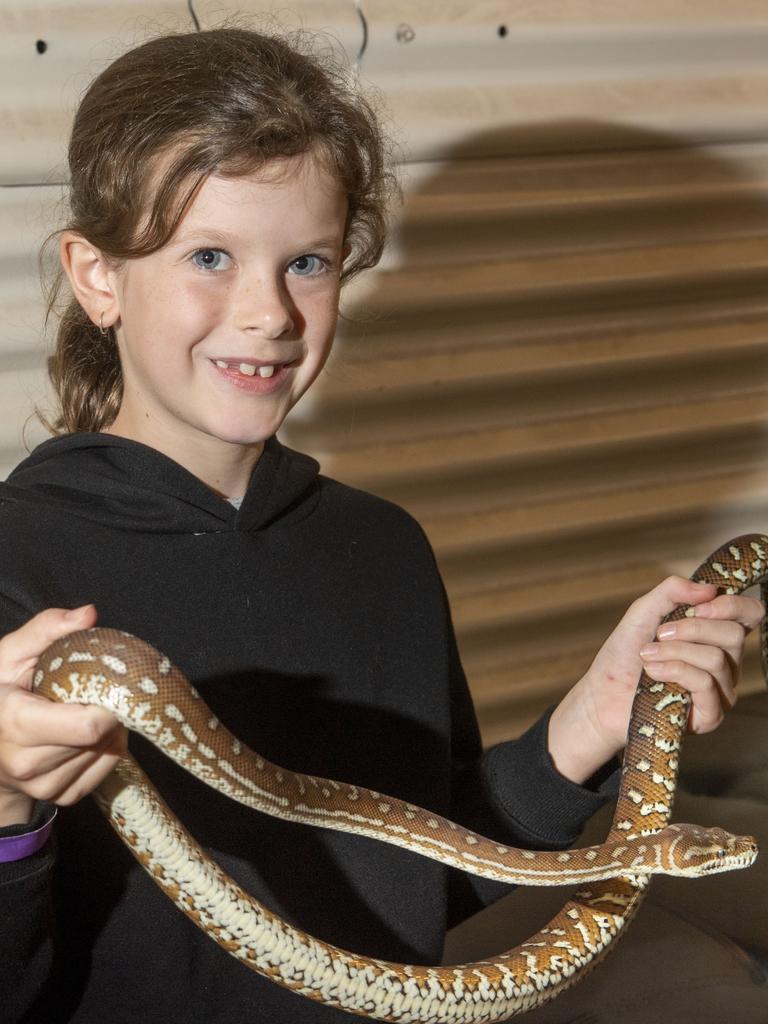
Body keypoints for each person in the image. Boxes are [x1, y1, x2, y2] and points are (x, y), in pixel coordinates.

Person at [0, 26, 762, 1024]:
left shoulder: (383, 549)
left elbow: (415, 890)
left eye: (306, 261)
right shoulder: (21, 570)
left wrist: (588, 722)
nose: (269, 312)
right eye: (211, 256)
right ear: (97, 276)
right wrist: (9, 815)